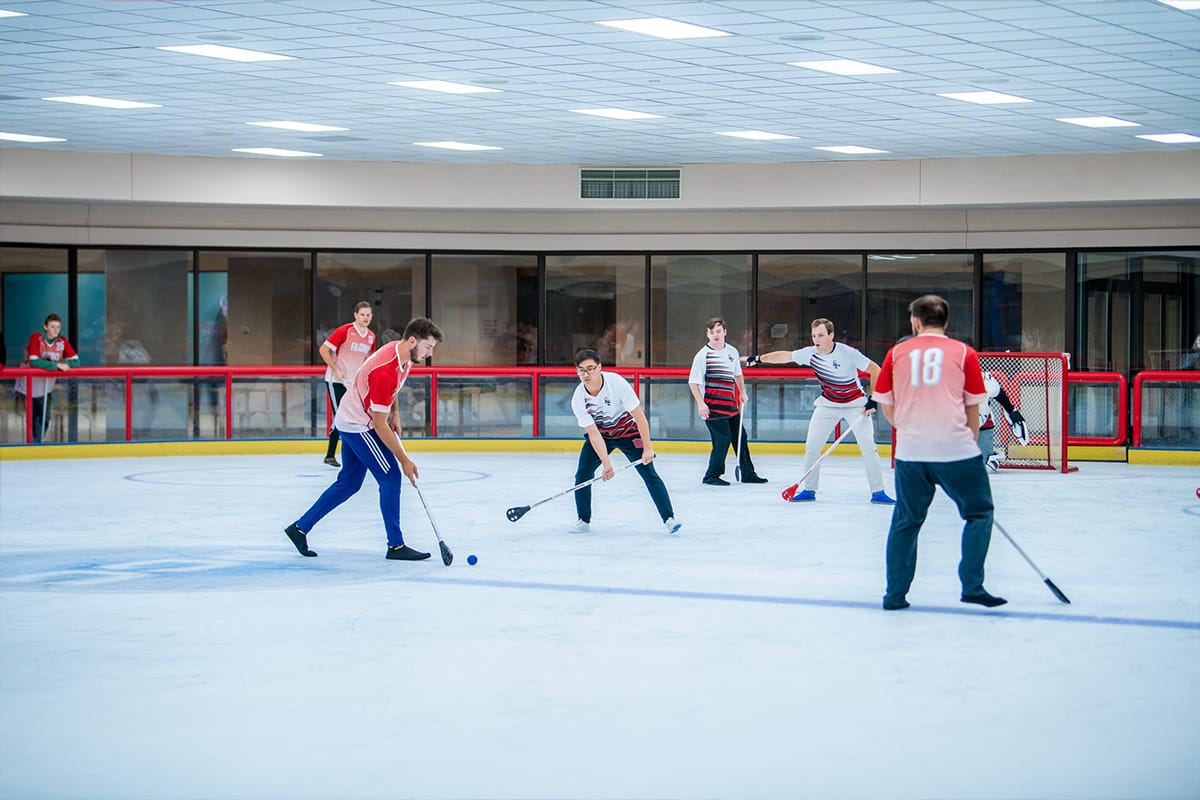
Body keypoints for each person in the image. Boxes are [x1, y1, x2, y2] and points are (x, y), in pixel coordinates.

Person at [871, 295, 1006, 610]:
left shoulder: (897, 353)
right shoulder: (964, 353)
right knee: (979, 513)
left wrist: (906, 426)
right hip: (955, 448)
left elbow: (886, 404)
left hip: (911, 450)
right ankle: (972, 585)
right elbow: (974, 406)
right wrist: (968, 441)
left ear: (915, 322)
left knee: (906, 521)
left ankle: (895, 595)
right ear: (945, 322)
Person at [284, 317, 443, 561]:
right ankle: (396, 546)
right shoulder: (385, 369)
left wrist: (396, 415)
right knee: (390, 476)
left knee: (349, 483)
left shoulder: (403, 356)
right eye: (428, 347)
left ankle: (299, 528)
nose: (429, 353)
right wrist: (404, 459)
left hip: (354, 419)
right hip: (358, 425)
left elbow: (393, 392)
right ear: (412, 340)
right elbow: (378, 424)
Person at [745, 318, 892, 503]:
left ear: (831, 335)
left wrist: (873, 399)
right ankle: (809, 490)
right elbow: (785, 356)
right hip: (827, 404)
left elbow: (876, 370)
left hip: (856, 405)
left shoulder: (848, 353)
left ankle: (878, 493)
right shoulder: (810, 354)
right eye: (814, 335)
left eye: (821, 335)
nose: (817, 339)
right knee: (812, 447)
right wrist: (759, 359)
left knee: (869, 448)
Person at [569, 348, 680, 534]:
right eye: (582, 370)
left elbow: (639, 417)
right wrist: (606, 464)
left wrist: (647, 448)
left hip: (628, 433)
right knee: (582, 475)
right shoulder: (578, 398)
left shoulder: (616, 383)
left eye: (590, 368)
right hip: (602, 435)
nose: (586, 374)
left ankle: (669, 518)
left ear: (599, 368)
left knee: (649, 473)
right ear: (577, 372)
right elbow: (594, 434)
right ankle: (583, 520)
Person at [688, 316, 766, 486]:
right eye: (712, 332)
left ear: (724, 332)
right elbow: (693, 382)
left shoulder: (732, 352)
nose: (715, 334)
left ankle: (748, 473)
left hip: (730, 405)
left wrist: (742, 392)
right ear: (707, 334)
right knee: (723, 439)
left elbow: (737, 374)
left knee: (740, 437)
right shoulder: (703, 356)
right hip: (712, 407)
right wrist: (701, 403)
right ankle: (711, 476)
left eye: (718, 331)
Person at [319, 301, 377, 467]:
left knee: (355, 416)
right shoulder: (344, 331)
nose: (365, 317)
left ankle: (338, 455)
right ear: (356, 315)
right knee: (342, 416)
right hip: (337, 381)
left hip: (354, 384)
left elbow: (369, 360)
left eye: (368, 315)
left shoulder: (371, 336)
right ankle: (335, 455)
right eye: (362, 314)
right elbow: (323, 349)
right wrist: (335, 369)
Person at [15, 314, 79, 443]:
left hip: (46, 388)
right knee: (32, 420)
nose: (56, 330)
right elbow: (34, 361)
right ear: (45, 327)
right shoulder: (36, 338)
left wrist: (61, 365)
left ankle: (37, 444)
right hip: (28, 387)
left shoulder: (62, 342)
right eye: (52, 326)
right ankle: (32, 446)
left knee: (45, 419)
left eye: (58, 327)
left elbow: (75, 361)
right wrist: (56, 365)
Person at [978, 372, 1029, 473]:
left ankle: (994, 456)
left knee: (986, 469)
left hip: (983, 425)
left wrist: (1012, 412)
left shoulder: (986, 382)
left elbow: (1002, 398)